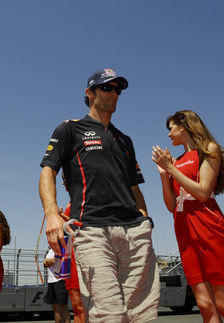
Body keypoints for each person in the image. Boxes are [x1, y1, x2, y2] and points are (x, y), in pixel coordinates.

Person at [39, 68, 160, 322]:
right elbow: (47, 172)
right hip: (92, 231)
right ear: (90, 93)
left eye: (117, 89)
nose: (114, 94)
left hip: (134, 233)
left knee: (143, 316)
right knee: (109, 315)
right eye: (107, 88)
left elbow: (134, 188)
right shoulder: (69, 129)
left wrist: (145, 221)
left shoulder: (124, 139)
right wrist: (52, 214)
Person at [152, 110, 224, 323]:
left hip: (210, 229)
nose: (169, 135)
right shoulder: (175, 162)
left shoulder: (209, 149)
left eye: (171, 128)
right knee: (206, 308)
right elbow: (170, 206)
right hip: (186, 234)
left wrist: (170, 168)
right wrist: (164, 175)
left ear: (183, 126)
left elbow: (203, 192)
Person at [60, 203, 86, 323]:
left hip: (83, 252)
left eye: (65, 182)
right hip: (71, 254)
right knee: (76, 305)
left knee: (81, 305)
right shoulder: (71, 202)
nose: (64, 184)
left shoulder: (86, 198)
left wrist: (62, 219)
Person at [43, 249, 70, 323]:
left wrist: (49, 262)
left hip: (60, 280)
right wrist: (49, 262)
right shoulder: (51, 250)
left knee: (63, 307)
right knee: (55, 308)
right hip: (51, 281)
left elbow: (55, 261)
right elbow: (45, 264)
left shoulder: (61, 247)